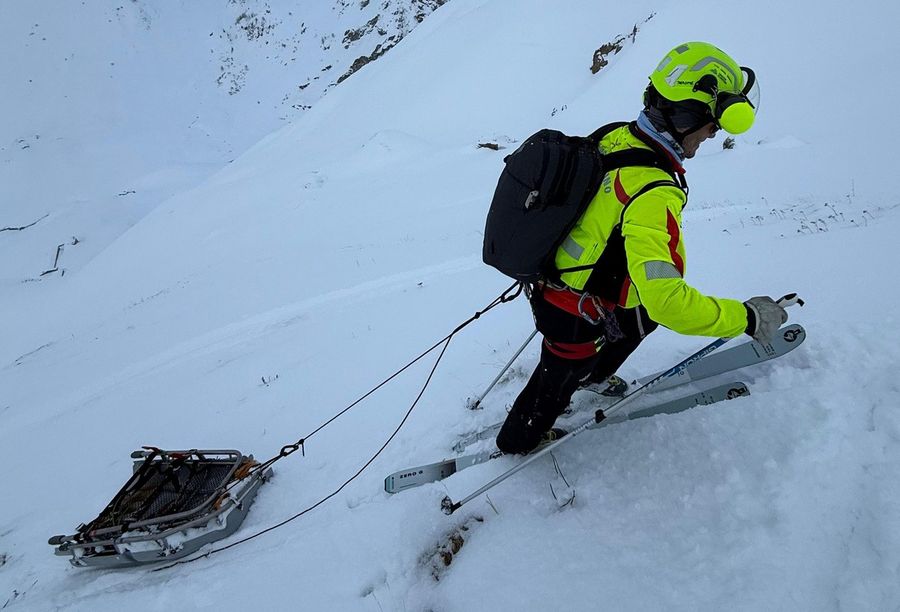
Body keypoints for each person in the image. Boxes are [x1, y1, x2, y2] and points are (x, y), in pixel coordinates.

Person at [496, 41, 788, 455]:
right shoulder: (653, 190)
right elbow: (668, 301)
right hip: (572, 313)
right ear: (689, 118)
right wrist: (745, 318)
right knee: (557, 378)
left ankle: (593, 375)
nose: (712, 135)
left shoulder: (620, 136)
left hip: (561, 281)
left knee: (641, 317)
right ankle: (519, 439)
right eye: (712, 125)